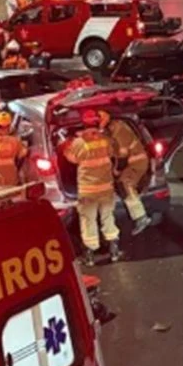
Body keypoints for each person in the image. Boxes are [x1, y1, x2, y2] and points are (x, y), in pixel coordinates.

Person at [63, 109, 121, 265]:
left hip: (88, 189)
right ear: (97, 122)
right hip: (106, 187)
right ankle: (114, 249)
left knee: (88, 219)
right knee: (107, 216)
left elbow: (72, 159)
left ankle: (90, 253)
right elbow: (112, 153)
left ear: (83, 123)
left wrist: (66, 148)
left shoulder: (79, 142)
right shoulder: (106, 139)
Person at [100, 110, 152, 234]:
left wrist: (115, 167)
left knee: (126, 184)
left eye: (100, 119)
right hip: (129, 163)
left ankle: (141, 217)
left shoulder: (119, 128)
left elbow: (121, 153)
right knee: (120, 183)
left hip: (137, 162)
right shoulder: (111, 129)